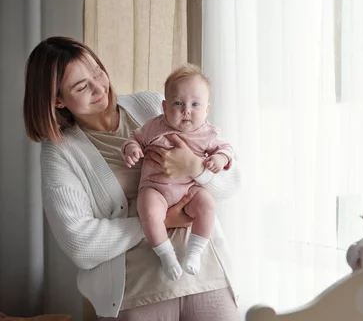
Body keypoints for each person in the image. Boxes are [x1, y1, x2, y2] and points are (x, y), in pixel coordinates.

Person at [22, 37, 240, 320]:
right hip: (137, 295)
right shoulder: (61, 153)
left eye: (98, 72)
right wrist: (158, 221)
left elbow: (230, 183)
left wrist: (196, 167)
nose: (99, 87)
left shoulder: (150, 106)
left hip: (206, 277)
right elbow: (80, 244)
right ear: (57, 100)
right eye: (81, 86)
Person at [121, 64, 233, 281]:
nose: (186, 110)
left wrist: (220, 158)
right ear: (164, 106)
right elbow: (135, 138)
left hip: (189, 191)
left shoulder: (208, 133)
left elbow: (226, 149)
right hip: (157, 189)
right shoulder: (154, 127)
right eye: (178, 103)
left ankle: (194, 252)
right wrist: (131, 149)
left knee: (207, 204)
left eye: (195, 104)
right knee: (149, 211)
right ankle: (166, 255)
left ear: (207, 109)